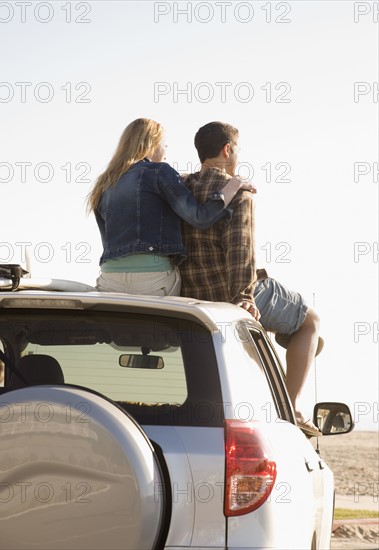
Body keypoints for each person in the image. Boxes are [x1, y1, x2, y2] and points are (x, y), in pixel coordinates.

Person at [179, 121, 323, 436]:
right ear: (227, 150)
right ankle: (293, 406)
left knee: (272, 338)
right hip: (231, 291)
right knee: (311, 321)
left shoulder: (180, 188)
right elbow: (240, 251)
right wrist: (243, 296)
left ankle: (282, 348)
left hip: (192, 293)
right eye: (238, 150)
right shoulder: (238, 191)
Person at [87, 118, 254, 296]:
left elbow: (108, 241)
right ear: (151, 145)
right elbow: (200, 217)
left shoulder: (104, 183)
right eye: (164, 145)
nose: (166, 151)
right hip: (154, 279)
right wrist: (234, 184)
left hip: (110, 277)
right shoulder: (160, 171)